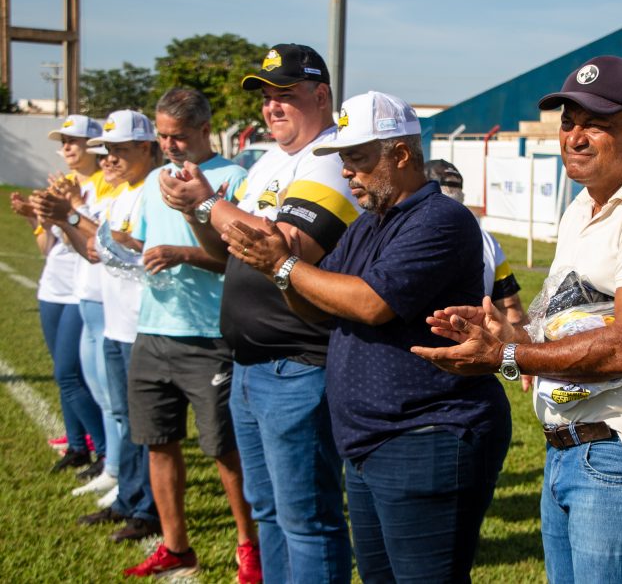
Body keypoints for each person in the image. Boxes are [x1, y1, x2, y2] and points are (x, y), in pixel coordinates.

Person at [412, 56, 622, 583]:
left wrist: (504, 355)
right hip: (569, 448)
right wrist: (504, 334)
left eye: (596, 122)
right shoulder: (582, 206)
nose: (575, 136)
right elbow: (567, 320)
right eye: (569, 121)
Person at [221, 90, 512, 583]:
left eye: (356, 158)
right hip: (372, 439)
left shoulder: (441, 219)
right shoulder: (367, 225)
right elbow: (313, 304)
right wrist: (279, 271)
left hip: (427, 435)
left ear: (400, 154)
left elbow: (371, 304)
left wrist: (284, 264)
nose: (347, 172)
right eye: (342, 160)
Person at [159, 44, 355, 583]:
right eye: (267, 97)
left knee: (307, 518)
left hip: (298, 362)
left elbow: (285, 243)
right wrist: (196, 210)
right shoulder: (270, 160)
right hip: (251, 363)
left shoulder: (333, 155)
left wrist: (208, 203)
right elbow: (226, 251)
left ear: (321, 95)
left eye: (285, 95)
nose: (271, 107)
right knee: (268, 510)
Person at [104, 89, 258, 581]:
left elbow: (241, 261)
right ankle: (175, 545)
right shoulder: (153, 178)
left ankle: (248, 547)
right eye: (163, 136)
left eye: (179, 136)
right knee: (158, 442)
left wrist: (184, 252)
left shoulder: (233, 178)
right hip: (152, 329)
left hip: (209, 337)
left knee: (223, 450)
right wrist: (129, 246)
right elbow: (151, 245)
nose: (169, 145)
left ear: (204, 129)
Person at [52, 110, 163, 544]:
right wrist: (64, 218)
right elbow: (97, 252)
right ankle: (129, 498)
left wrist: (75, 215)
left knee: (143, 425)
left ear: (145, 148)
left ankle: (145, 507)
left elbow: (137, 249)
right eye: (107, 151)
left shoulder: (153, 188)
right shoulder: (121, 193)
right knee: (124, 416)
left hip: (142, 323)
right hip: (117, 322)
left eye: (119, 150)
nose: (110, 159)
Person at [18, 115, 107, 476]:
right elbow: (45, 246)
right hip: (52, 286)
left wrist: (73, 209)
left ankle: (103, 449)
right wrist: (36, 217)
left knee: (68, 374)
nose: (67, 148)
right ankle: (75, 445)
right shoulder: (62, 184)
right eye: (63, 141)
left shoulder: (105, 184)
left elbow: (97, 241)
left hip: (80, 288)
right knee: (65, 374)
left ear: (93, 145)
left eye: (74, 140)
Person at [424, 159, 527, 327]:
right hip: (474, 345)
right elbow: (512, 309)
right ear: (461, 195)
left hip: (419, 346)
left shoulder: (408, 233)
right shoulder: (488, 240)